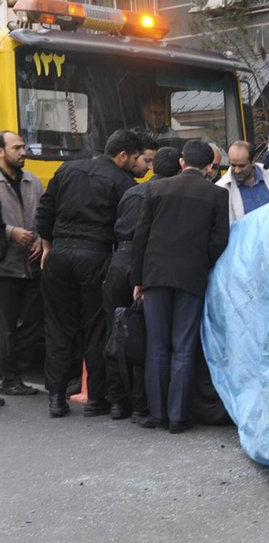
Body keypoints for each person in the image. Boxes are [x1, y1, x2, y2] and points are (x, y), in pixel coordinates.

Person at [35, 129, 143, 418]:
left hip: (59, 254)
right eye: (135, 158)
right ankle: (96, 398)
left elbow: (44, 211)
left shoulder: (67, 169)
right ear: (122, 156)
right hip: (96, 256)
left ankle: (56, 398)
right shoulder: (123, 183)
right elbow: (127, 226)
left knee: (58, 327)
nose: (137, 164)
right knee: (97, 327)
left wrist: (48, 244)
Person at [131, 140, 228, 433]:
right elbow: (219, 241)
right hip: (192, 277)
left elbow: (141, 237)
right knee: (184, 347)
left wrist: (138, 279)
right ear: (210, 167)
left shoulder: (155, 189)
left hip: (156, 275)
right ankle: (177, 417)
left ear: (182, 162)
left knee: (156, 346)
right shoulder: (217, 195)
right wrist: (201, 264)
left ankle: (158, 413)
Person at [103, 147, 182, 421]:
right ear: (180, 168)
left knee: (116, 331)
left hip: (118, 261)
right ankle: (140, 404)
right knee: (144, 334)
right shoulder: (168, 195)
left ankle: (116, 402)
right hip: (146, 264)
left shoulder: (131, 192)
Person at [0, 131, 44, 396]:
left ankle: (15, 372)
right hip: (5, 266)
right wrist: (9, 231)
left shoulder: (33, 182)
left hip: (31, 264)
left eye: (24, 146)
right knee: (5, 326)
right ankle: (10, 378)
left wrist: (41, 239)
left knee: (31, 324)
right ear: (1, 152)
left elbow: (43, 217)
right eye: (16, 147)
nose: (23, 151)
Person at [217, 141, 269, 223]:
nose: (237, 170)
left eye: (242, 166)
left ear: (253, 161)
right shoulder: (221, 188)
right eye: (233, 165)